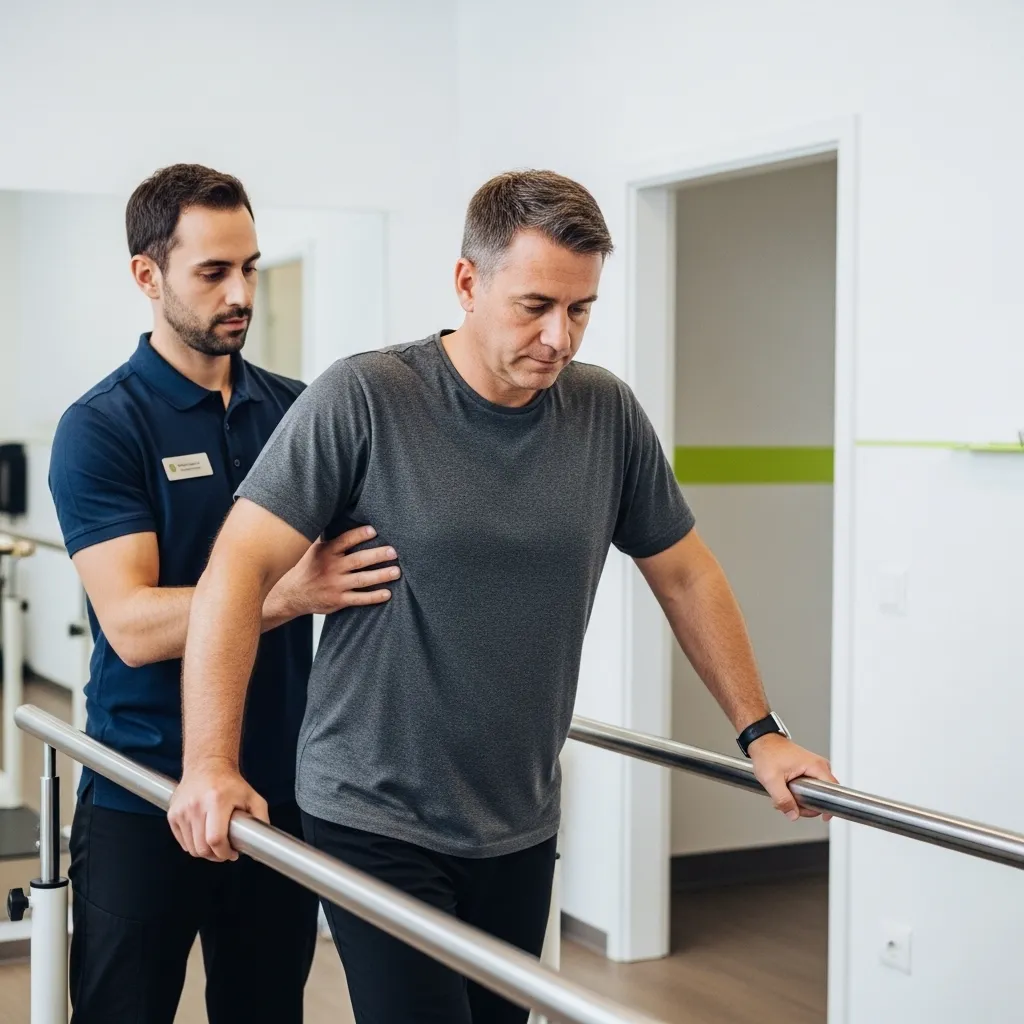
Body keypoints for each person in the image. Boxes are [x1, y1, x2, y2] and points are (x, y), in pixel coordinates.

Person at [168, 169, 837, 1024]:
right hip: (375, 811)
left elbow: (686, 571)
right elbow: (238, 569)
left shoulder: (606, 415)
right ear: (466, 283)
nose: (560, 338)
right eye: (535, 306)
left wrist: (762, 733)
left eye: (581, 309)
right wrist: (212, 763)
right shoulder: (367, 396)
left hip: (517, 814)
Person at [48, 163, 400, 1024]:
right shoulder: (102, 427)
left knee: (266, 1009)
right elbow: (130, 624)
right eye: (213, 272)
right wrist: (286, 594)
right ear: (148, 275)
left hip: (277, 791)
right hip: (143, 790)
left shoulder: (298, 410)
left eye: (249, 266)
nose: (241, 292)